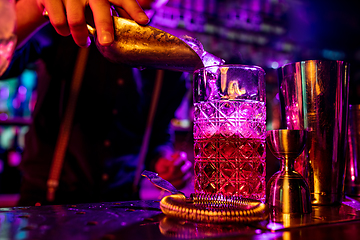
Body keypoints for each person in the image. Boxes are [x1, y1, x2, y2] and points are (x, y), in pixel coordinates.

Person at [2, 0, 192, 206]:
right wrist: (35, 7)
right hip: (49, 201)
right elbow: (5, 63)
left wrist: (164, 160)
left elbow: (158, 134)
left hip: (123, 204)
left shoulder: (171, 60)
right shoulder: (71, 19)